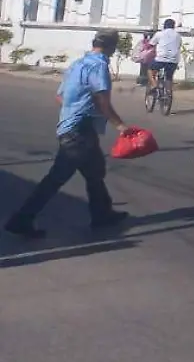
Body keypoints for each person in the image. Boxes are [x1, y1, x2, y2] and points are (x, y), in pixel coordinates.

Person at [5, 30, 131, 237]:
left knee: (95, 172)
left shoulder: (77, 64)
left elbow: (60, 97)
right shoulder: (99, 66)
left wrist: (73, 111)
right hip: (78, 131)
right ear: (112, 47)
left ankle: (102, 214)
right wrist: (120, 126)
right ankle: (22, 219)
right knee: (56, 178)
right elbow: (102, 101)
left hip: (76, 127)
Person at [149, 19, 183, 100]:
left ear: (164, 25)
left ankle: (154, 85)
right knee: (169, 77)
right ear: (173, 26)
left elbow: (151, 44)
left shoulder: (159, 34)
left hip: (160, 59)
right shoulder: (178, 35)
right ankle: (168, 93)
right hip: (173, 60)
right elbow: (178, 46)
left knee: (150, 70)